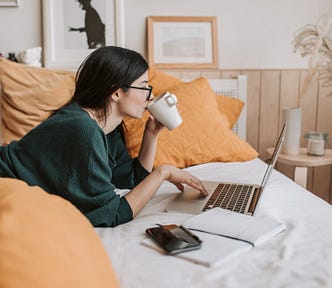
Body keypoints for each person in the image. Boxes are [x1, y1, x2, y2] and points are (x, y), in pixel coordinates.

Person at [0, 46, 207, 227]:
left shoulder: (109, 129)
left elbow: (132, 183)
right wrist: (162, 173)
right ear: (116, 93)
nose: (150, 95)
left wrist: (151, 134)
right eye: (144, 86)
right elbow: (112, 214)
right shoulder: (83, 129)